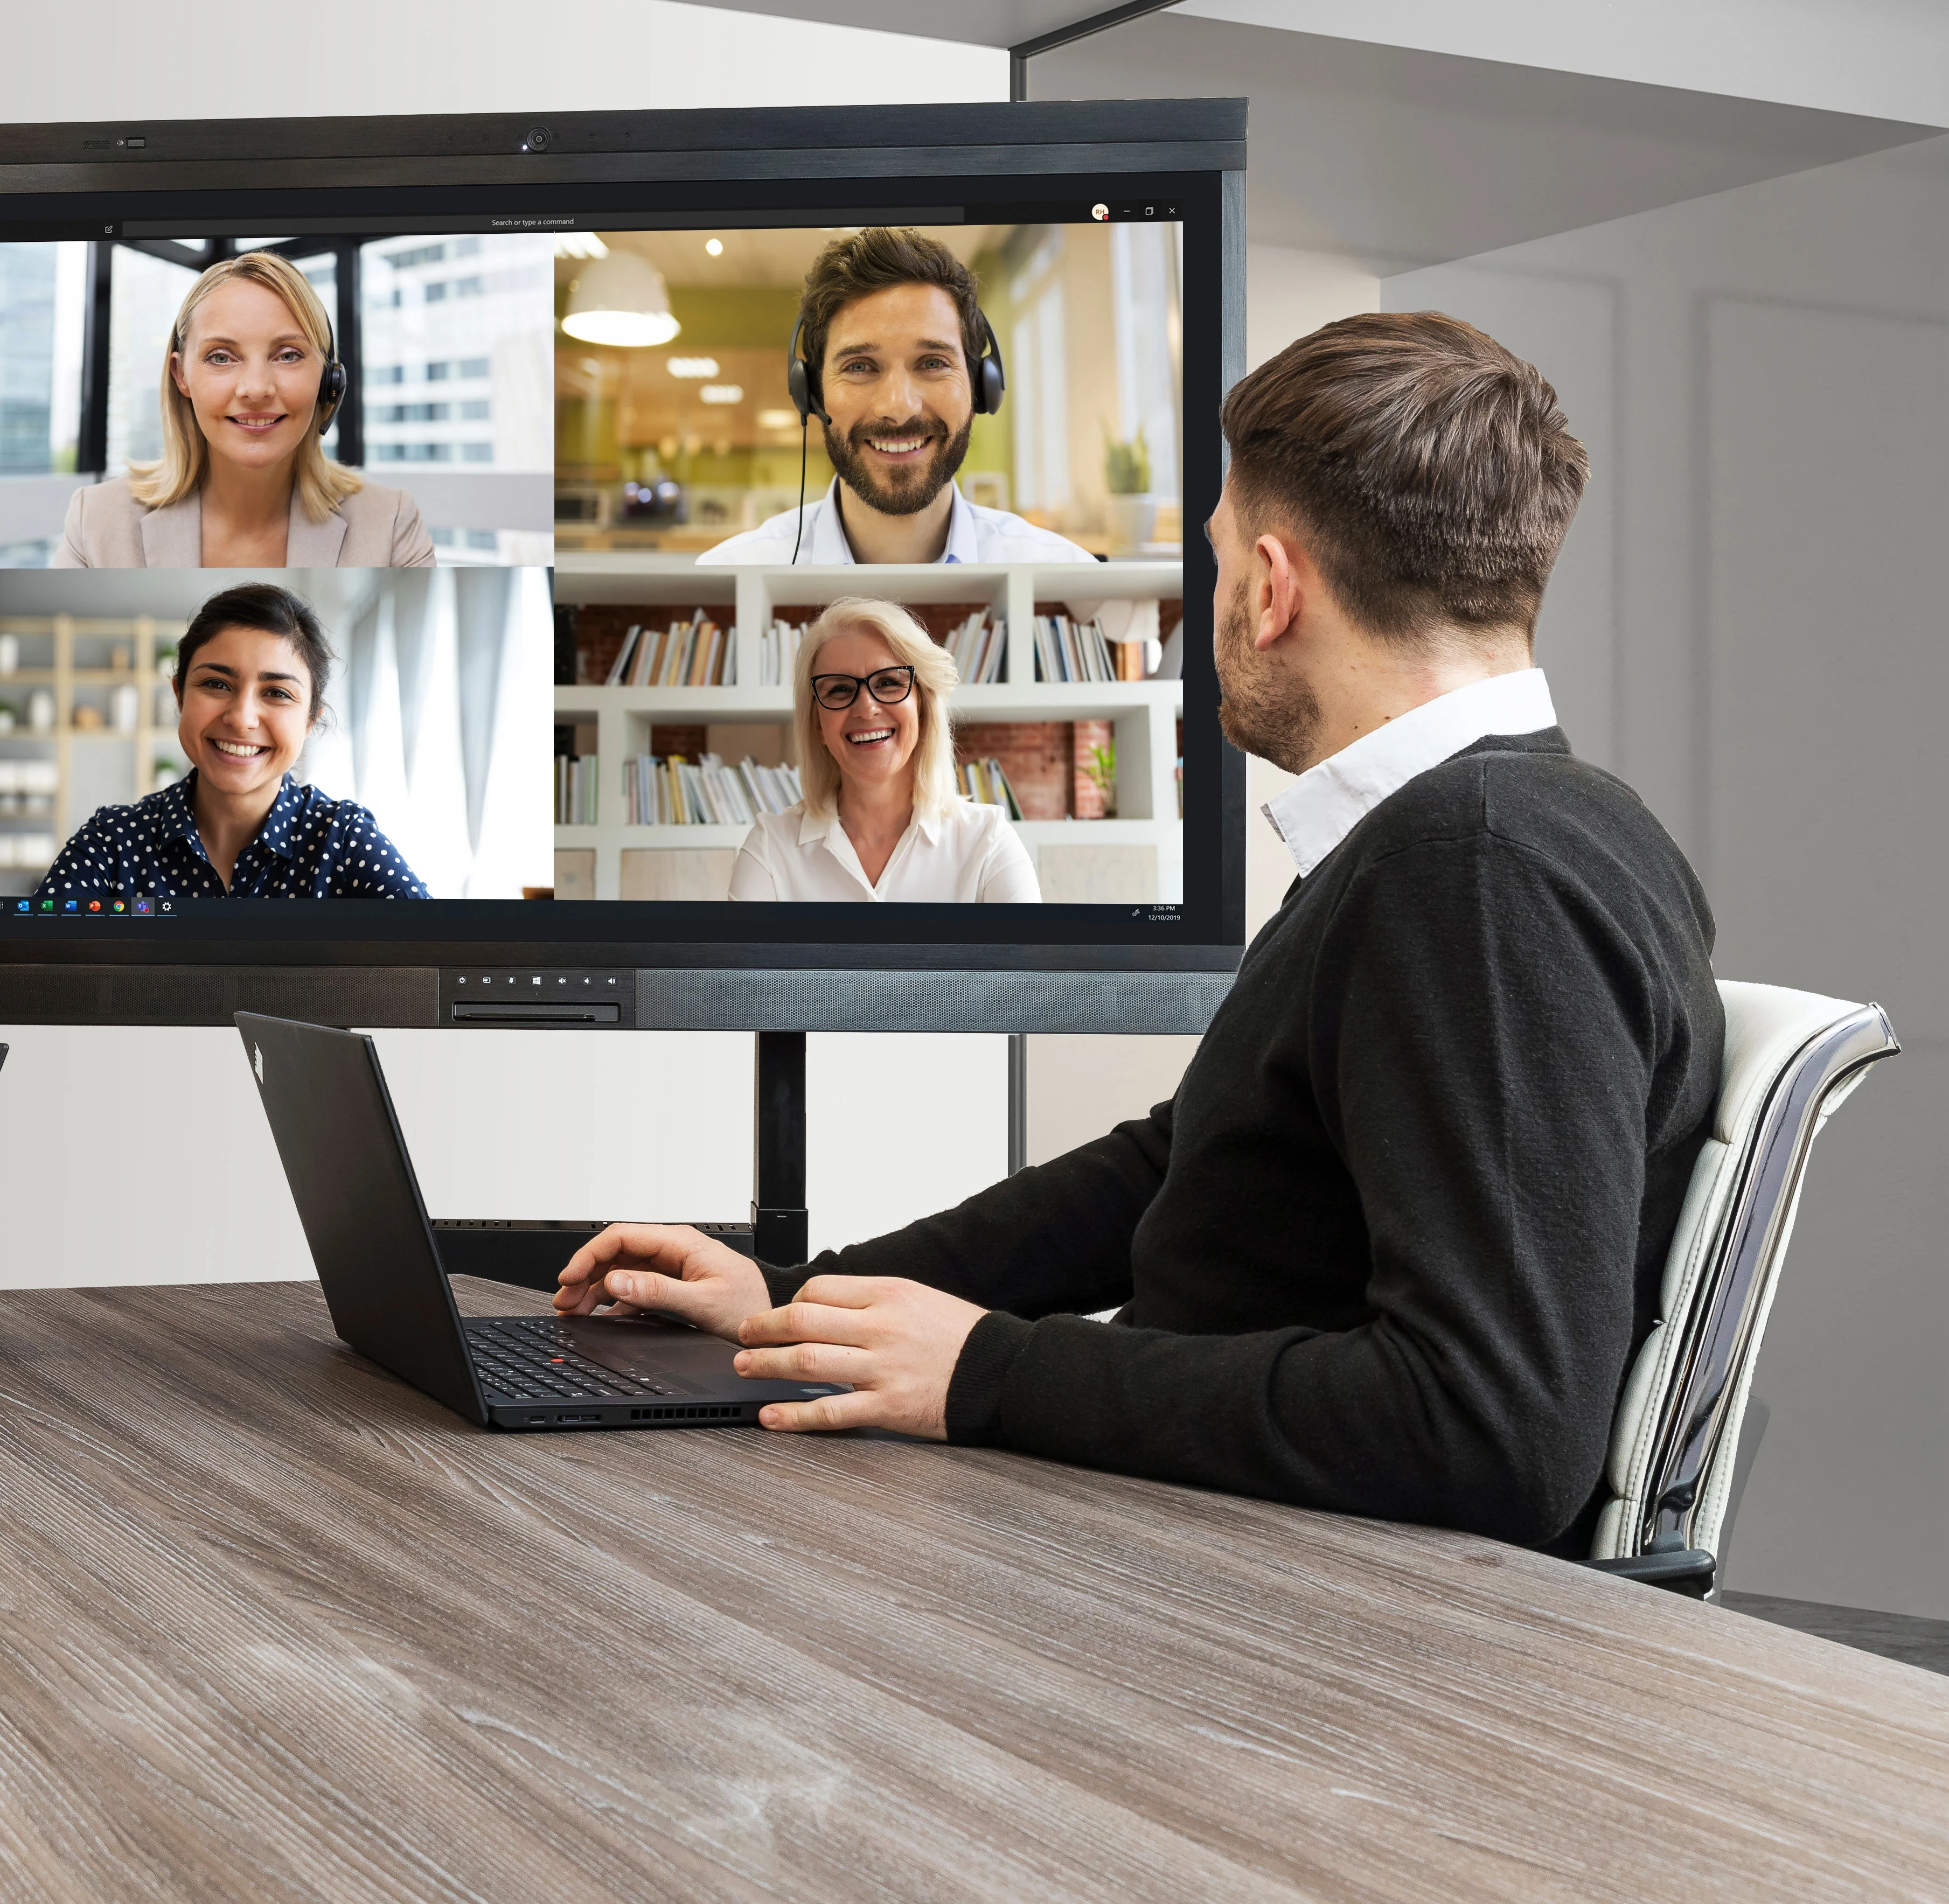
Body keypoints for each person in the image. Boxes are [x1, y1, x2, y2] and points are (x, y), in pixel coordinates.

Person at [569, 312, 1721, 1554]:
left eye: (1215, 564)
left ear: (1270, 588)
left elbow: (1490, 1431)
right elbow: (1177, 1167)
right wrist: (792, 1298)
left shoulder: (1478, 864)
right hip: (1199, 1539)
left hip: (1263, 1601)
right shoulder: (1458, 841)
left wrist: (986, 1371)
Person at [694, 227, 1092, 568]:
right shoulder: (729, 584)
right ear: (812, 393)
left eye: (933, 363)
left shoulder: (1065, 582)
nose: (899, 408)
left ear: (979, 386)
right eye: (859, 366)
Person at [35, 583, 429, 901]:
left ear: (311, 720)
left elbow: (434, 961)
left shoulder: (344, 840)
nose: (241, 718)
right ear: (180, 695)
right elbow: (35, 965)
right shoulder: (112, 841)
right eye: (216, 684)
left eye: (277, 693)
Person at [53, 253, 434, 568]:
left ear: (329, 378)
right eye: (221, 357)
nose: (255, 389)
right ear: (181, 376)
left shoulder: (391, 523)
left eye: (288, 355)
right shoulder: (96, 521)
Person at [728, 597, 1039, 904]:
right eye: (839, 689)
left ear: (922, 709)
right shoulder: (770, 847)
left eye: (889, 682)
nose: (866, 709)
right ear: (818, 725)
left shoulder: (988, 841)